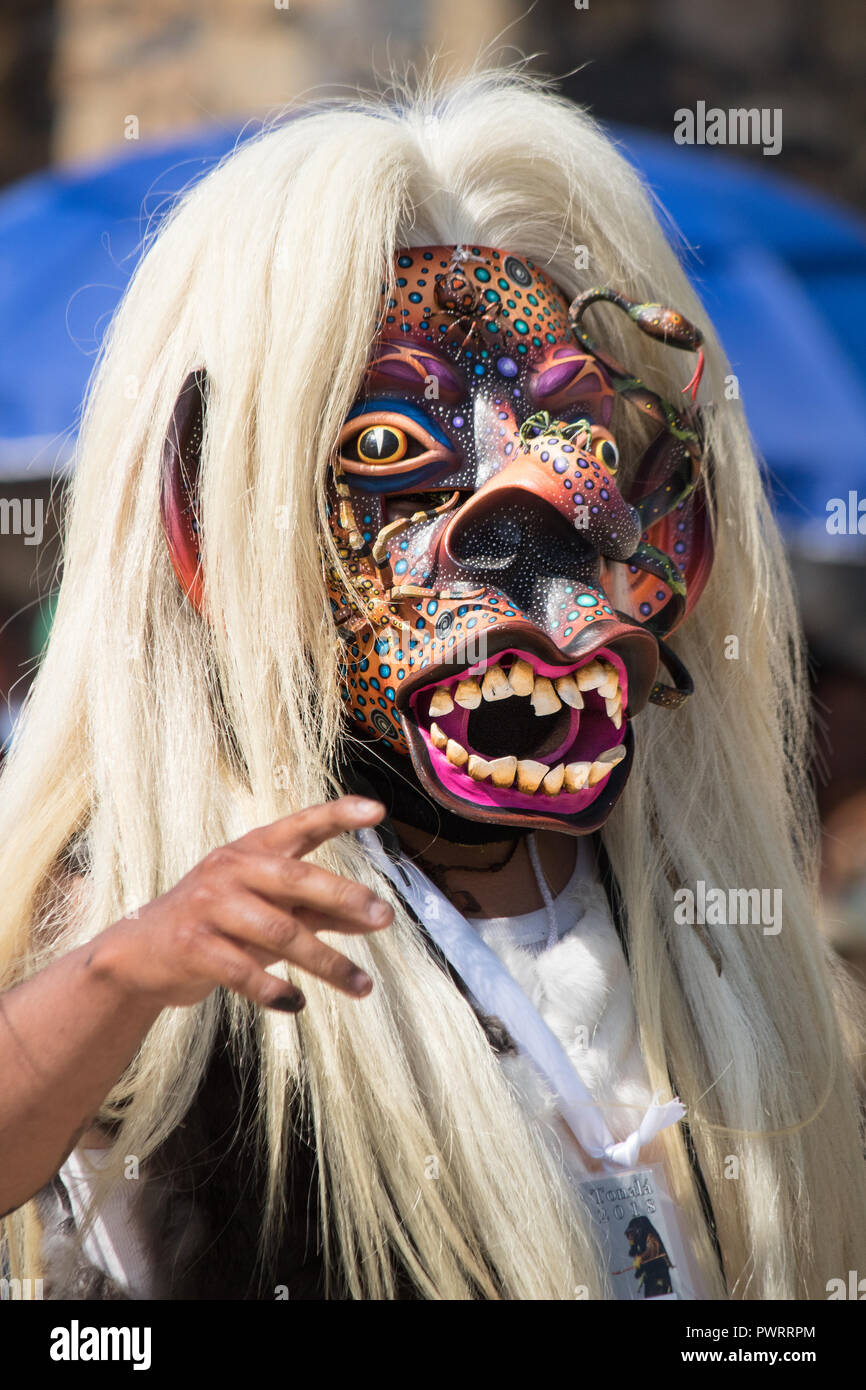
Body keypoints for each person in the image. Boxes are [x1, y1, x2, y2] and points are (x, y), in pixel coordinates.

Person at [1, 68, 864, 1301]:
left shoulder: (696, 930)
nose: (541, 508)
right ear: (214, 524)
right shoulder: (160, 924)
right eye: (394, 451)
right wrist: (120, 974)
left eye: (586, 444)